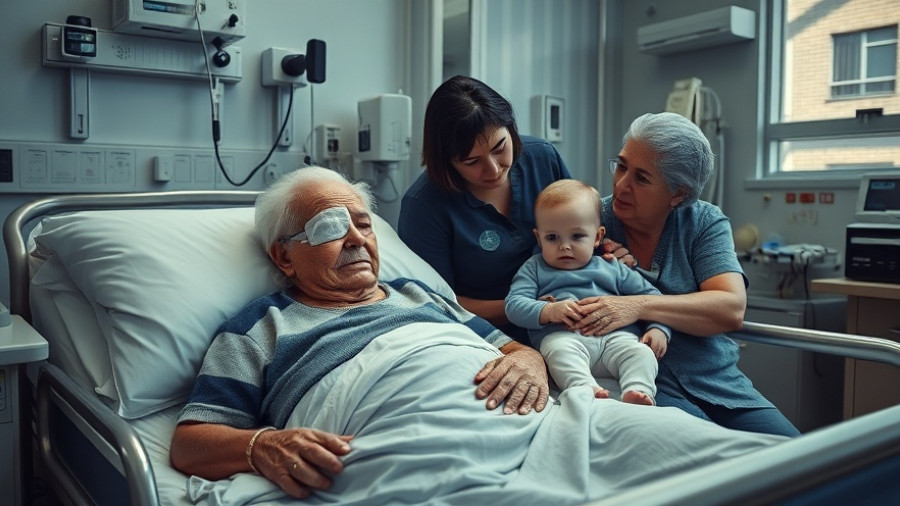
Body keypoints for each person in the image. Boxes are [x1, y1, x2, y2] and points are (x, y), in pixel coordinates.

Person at [170, 166, 786, 504]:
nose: (359, 237)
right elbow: (192, 444)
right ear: (284, 256)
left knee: (743, 461)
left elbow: (511, 342)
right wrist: (262, 447)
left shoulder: (418, 294)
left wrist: (528, 358)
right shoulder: (261, 326)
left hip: (559, 424)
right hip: (420, 447)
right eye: (332, 227)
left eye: (364, 221)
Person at [568, 111, 800, 437]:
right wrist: (594, 265)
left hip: (717, 379)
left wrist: (636, 305)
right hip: (639, 379)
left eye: (642, 178)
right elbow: (548, 287)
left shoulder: (703, 223)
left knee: (793, 450)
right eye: (621, 166)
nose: (622, 184)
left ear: (677, 194)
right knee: (715, 454)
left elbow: (729, 307)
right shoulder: (587, 220)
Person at [398, 75, 592, 341]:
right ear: (447, 162)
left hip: (572, 312)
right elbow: (436, 300)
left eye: (500, 147)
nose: (493, 169)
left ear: (510, 128)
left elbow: (583, 223)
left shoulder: (542, 158)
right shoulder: (424, 206)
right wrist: (531, 309)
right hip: (489, 334)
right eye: (471, 161)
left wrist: (606, 251)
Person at [505, 179, 668, 406]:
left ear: (598, 237)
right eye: (552, 237)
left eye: (577, 236)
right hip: (565, 338)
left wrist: (659, 329)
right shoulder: (534, 268)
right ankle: (584, 387)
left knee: (641, 354)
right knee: (559, 352)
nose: (565, 246)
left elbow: (653, 299)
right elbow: (514, 305)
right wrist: (549, 310)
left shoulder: (612, 267)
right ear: (538, 238)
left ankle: (637, 391)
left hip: (616, 339)